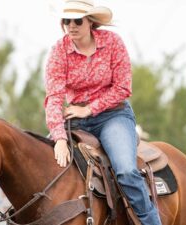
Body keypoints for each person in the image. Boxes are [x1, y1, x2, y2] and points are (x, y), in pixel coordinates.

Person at [43, 0, 162, 224]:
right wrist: (58, 137)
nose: (71, 26)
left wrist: (88, 109)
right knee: (42, 167)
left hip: (112, 116)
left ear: (90, 22)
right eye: (66, 21)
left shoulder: (113, 43)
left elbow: (123, 88)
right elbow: (54, 97)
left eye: (77, 20)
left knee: (126, 171)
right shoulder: (59, 51)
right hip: (74, 121)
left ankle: (150, 221)